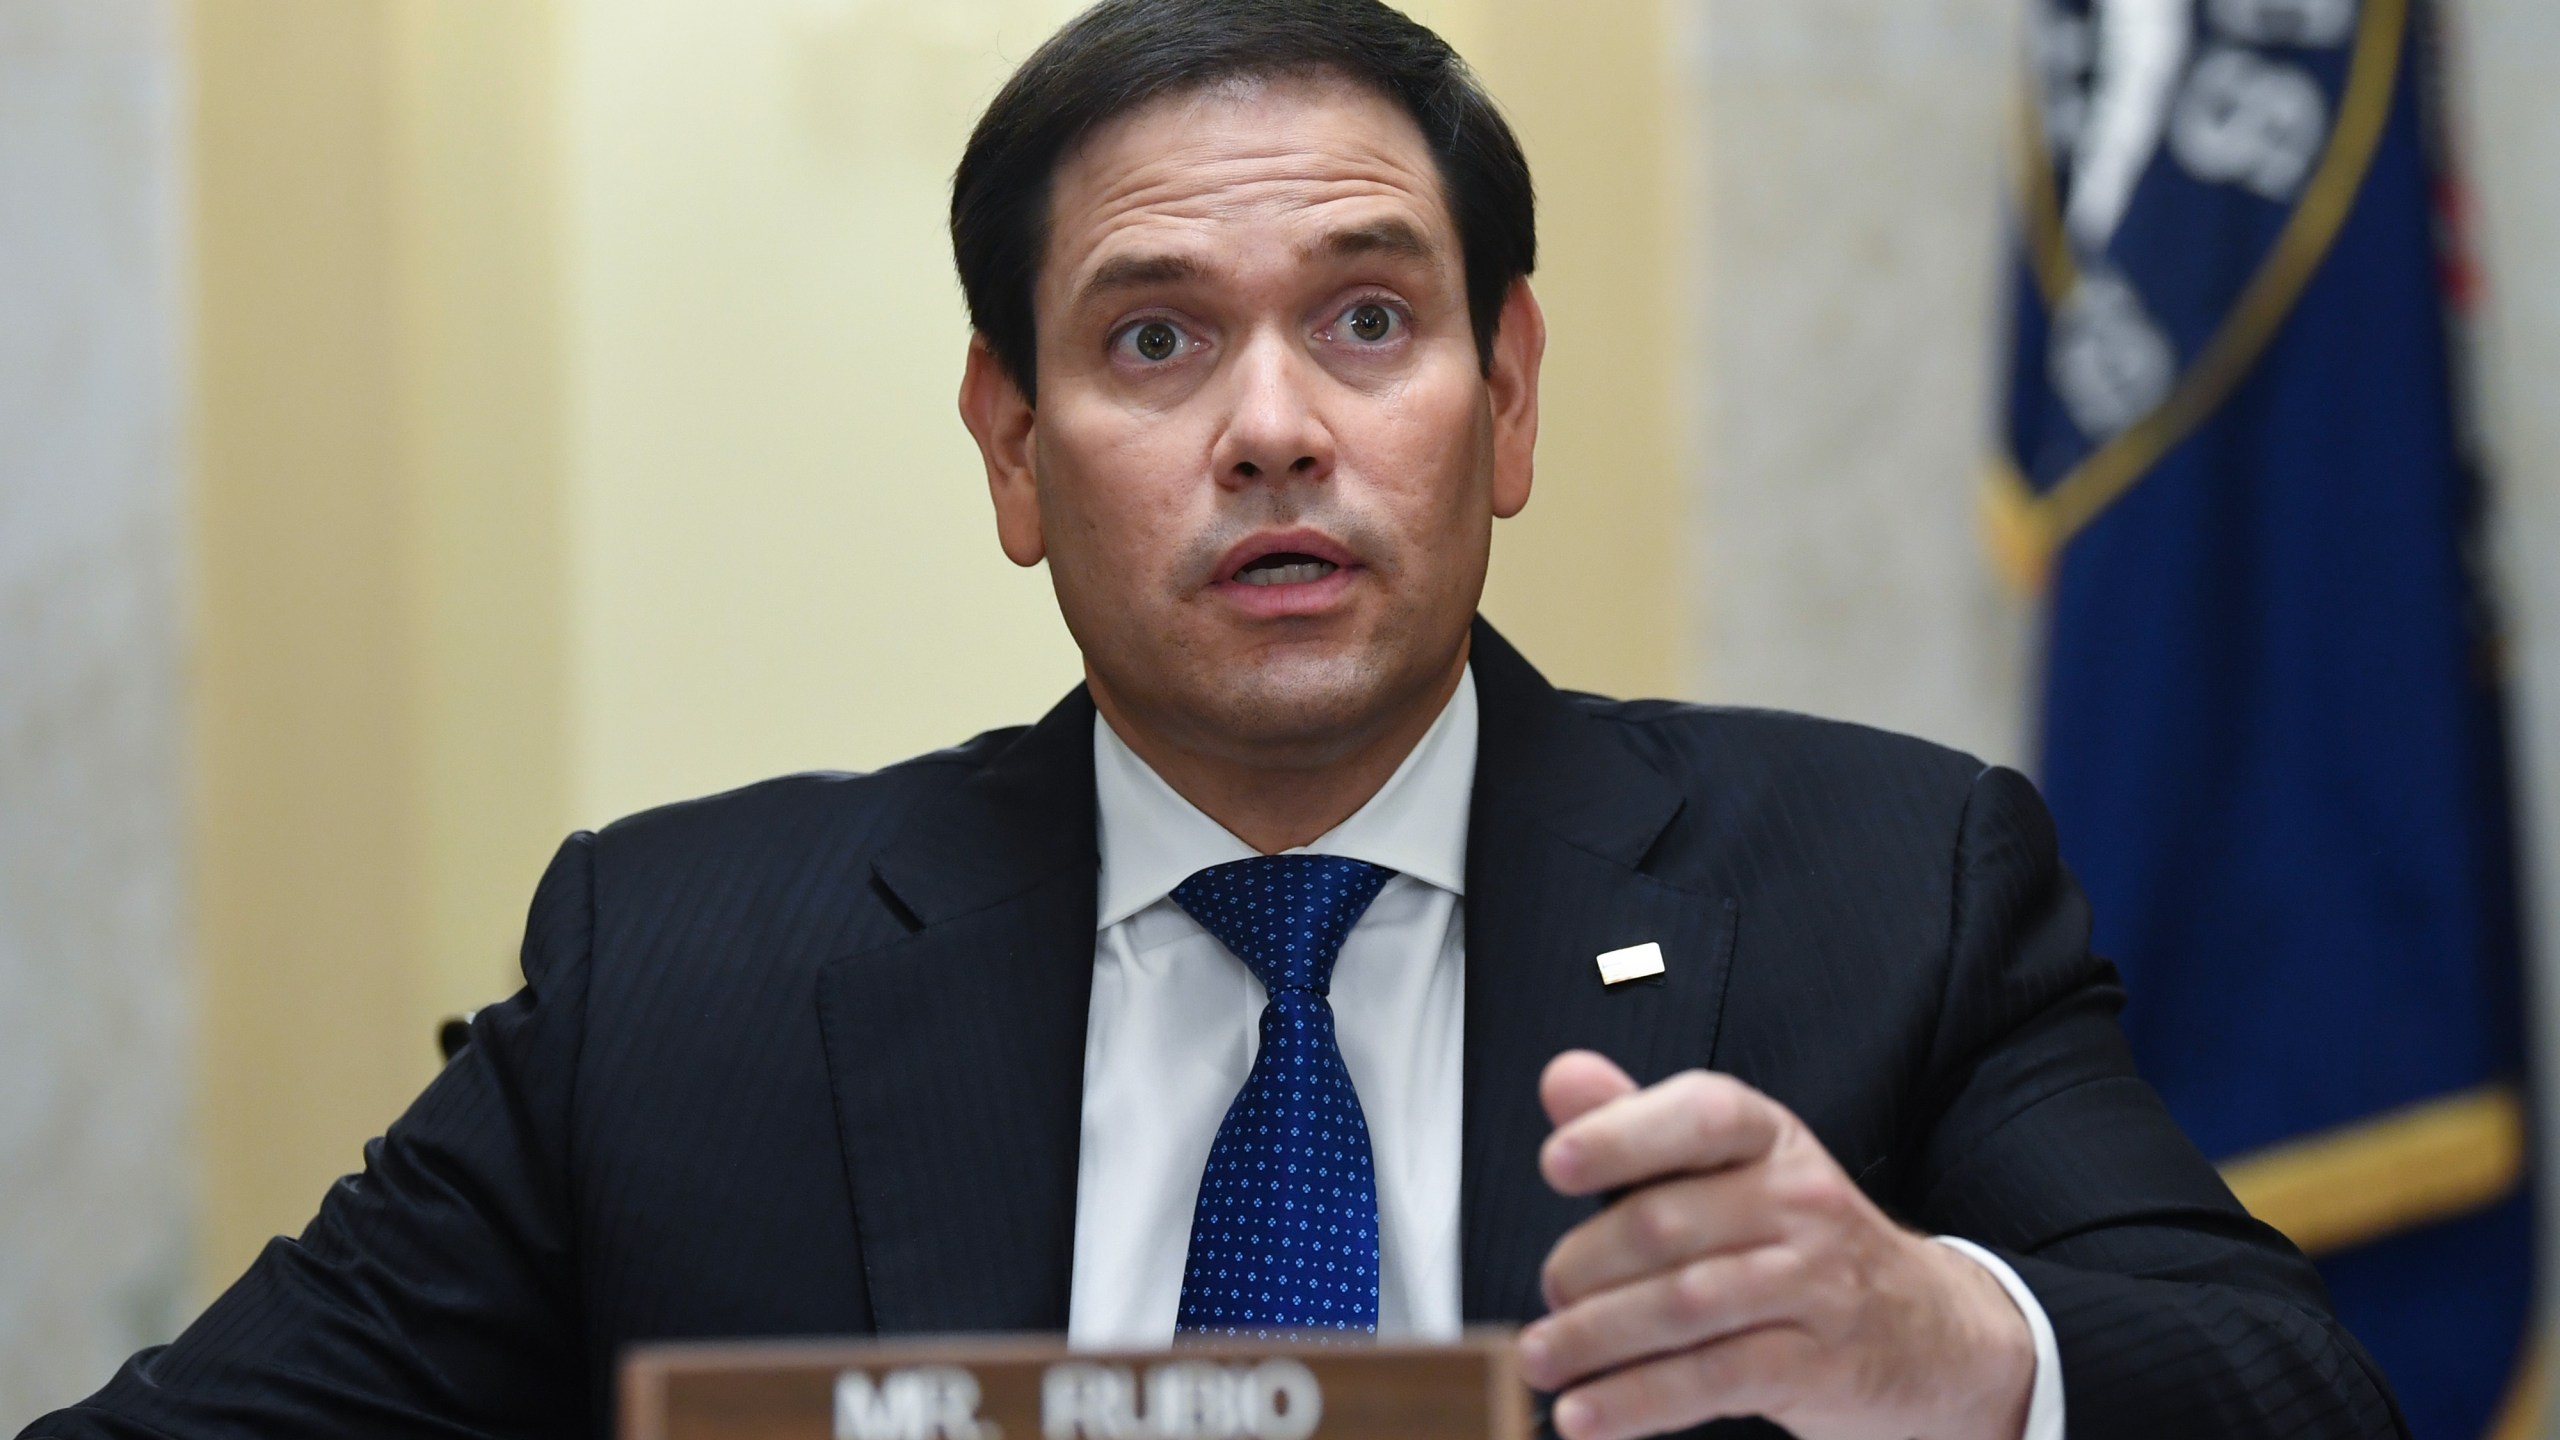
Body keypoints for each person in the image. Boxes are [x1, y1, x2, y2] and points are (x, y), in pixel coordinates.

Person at [23, 2, 2402, 1438]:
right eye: (1153, 340)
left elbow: (2295, 1394)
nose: (1273, 427)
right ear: (1010, 447)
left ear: (1507, 403)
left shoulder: (1884, 892)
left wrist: (1942, 1346)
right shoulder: (679, 978)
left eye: (1368, 320)